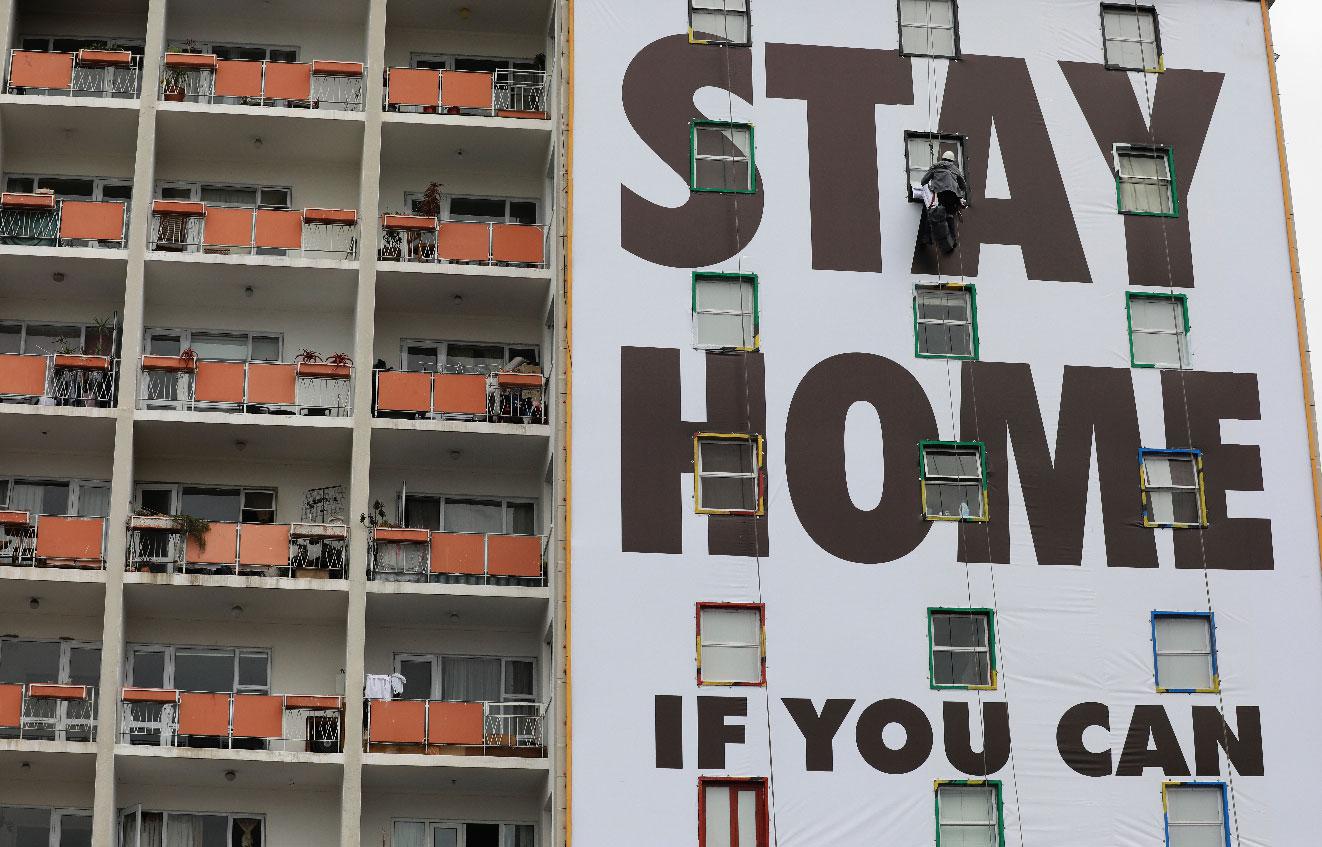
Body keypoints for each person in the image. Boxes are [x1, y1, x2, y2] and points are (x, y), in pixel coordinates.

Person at [918, 150, 968, 254]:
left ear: (942, 158)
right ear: (952, 160)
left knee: (931, 214)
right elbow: (963, 186)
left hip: (939, 193)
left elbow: (923, 181)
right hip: (953, 197)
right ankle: (953, 241)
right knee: (949, 216)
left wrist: (932, 183)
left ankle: (926, 238)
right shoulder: (956, 170)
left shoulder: (936, 166)